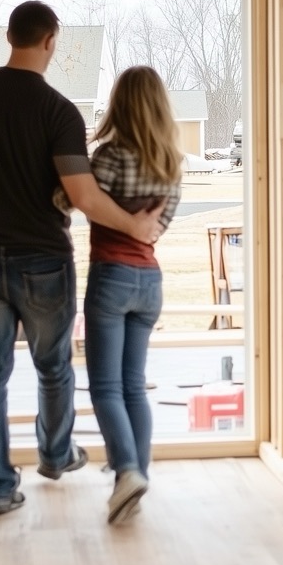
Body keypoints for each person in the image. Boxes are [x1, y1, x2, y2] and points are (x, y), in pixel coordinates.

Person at [0, 1, 164, 517]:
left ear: (10, 37)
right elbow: (82, 195)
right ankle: (56, 455)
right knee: (54, 368)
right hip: (42, 259)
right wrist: (136, 226)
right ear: (51, 41)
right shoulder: (59, 111)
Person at [83, 66, 182, 524]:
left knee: (105, 386)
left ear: (120, 103)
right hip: (150, 282)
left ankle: (127, 473)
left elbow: (71, 200)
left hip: (112, 277)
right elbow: (156, 230)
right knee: (132, 385)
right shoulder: (170, 165)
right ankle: (135, 475)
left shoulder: (109, 156)